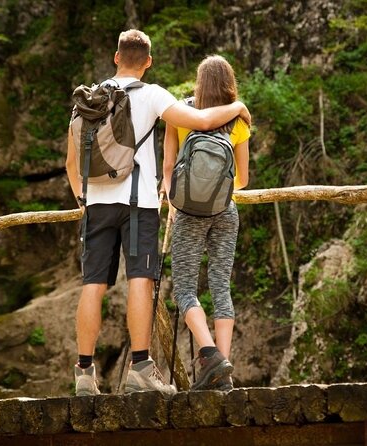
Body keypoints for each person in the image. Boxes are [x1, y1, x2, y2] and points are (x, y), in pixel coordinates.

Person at [65, 30, 251, 396]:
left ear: (116, 57)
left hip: (97, 204)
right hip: (139, 204)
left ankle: (84, 374)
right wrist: (237, 108)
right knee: (141, 279)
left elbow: (72, 163)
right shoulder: (152, 95)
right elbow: (200, 121)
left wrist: (83, 198)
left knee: (92, 285)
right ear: (148, 62)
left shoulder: (86, 101)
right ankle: (140, 368)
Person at [163, 55, 250, 391]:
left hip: (188, 213)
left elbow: (169, 168)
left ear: (198, 84)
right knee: (220, 285)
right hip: (225, 211)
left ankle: (210, 354)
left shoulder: (180, 115)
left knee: (184, 288)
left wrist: (176, 200)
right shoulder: (239, 122)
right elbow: (242, 179)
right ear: (229, 84)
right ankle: (223, 374)